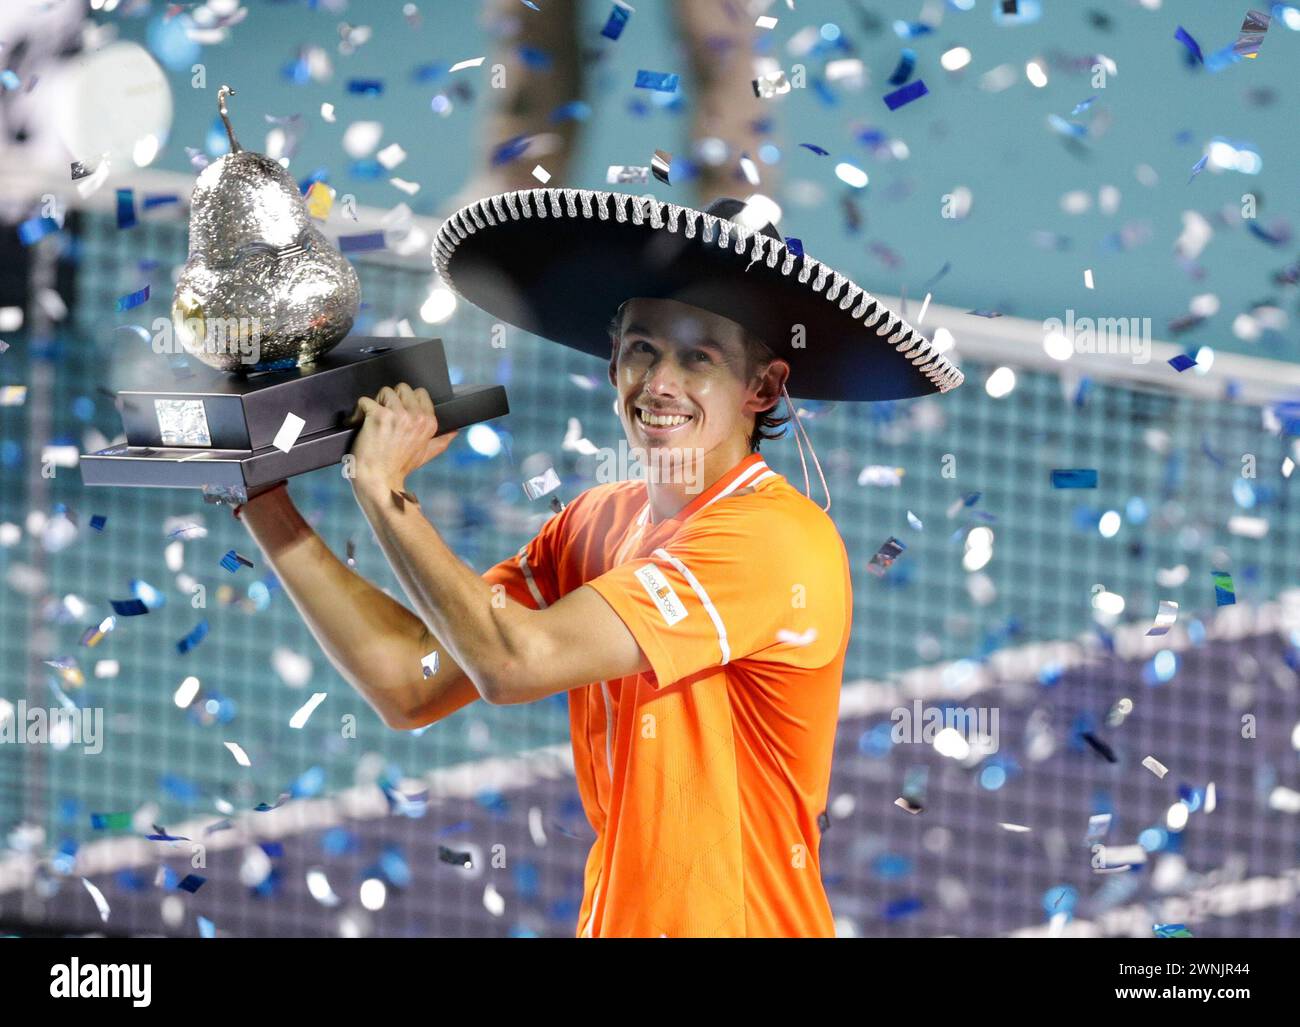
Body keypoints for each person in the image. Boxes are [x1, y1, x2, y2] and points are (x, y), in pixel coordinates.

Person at [235, 189, 962, 937]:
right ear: (613, 359)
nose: (660, 384)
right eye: (643, 347)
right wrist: (260, 495)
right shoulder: (596, 522)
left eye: (698, 357)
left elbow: (514, 660)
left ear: (763, 387)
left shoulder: (772, 541)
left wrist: (384, 492)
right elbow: (411, 680)